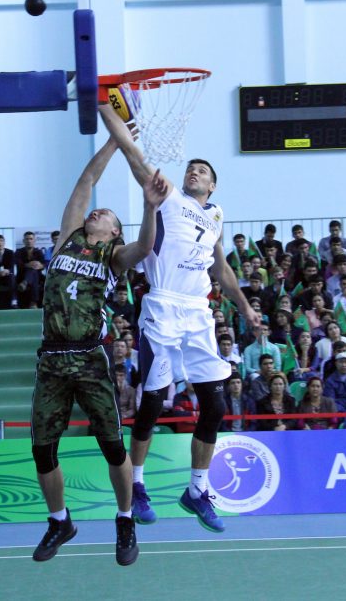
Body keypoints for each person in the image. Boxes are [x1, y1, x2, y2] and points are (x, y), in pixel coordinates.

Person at [101, 105, 260, 534]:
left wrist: (244, 306)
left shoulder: (216, 216)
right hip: (162, 306)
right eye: (191, 167)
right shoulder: (167, 195)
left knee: (216, 403)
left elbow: (221, 269)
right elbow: (133, 154)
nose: (194, 172)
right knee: (152, 401)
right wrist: (104, 107)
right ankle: (136, 483)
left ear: (213, 184)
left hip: (198, 314)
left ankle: (197, 489)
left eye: (202, 170)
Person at [29, 130, 166, 567]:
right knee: (42, 450)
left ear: (114, 231)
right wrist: (112, 140)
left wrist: (148, 205)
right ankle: (59, 521)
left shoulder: (114, 256)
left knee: (112, 445)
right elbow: (86, 182)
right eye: (97, 211)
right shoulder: (68, 238)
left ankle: (124, 520)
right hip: (51, 357)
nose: (98, 211)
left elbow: (146, 245)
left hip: (90, 357)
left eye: (107, 214)